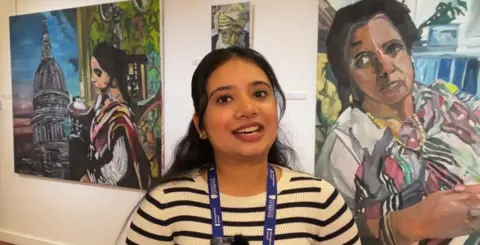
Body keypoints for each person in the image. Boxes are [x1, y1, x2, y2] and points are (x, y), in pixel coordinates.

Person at [123, 47, 360, 245]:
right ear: (200, 125)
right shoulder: (165, 204)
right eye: (224, 99)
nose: (248, 109)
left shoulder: (321, 200)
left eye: (259, 93)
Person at [315, 0, 480, 245]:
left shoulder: (444, 100)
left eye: (393, 48)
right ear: (348, 76)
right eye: (363, 60)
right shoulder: (345, 146)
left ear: (408, 50)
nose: (385, 67)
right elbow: (332, 234)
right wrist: (414, 223)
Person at [68, 42, 151, 190]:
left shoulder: (120, 117)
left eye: (98, 72)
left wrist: (91, 178)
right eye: (93, 72)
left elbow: (119, 168)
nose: (93, 78)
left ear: (112, 74)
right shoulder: (102, 102)